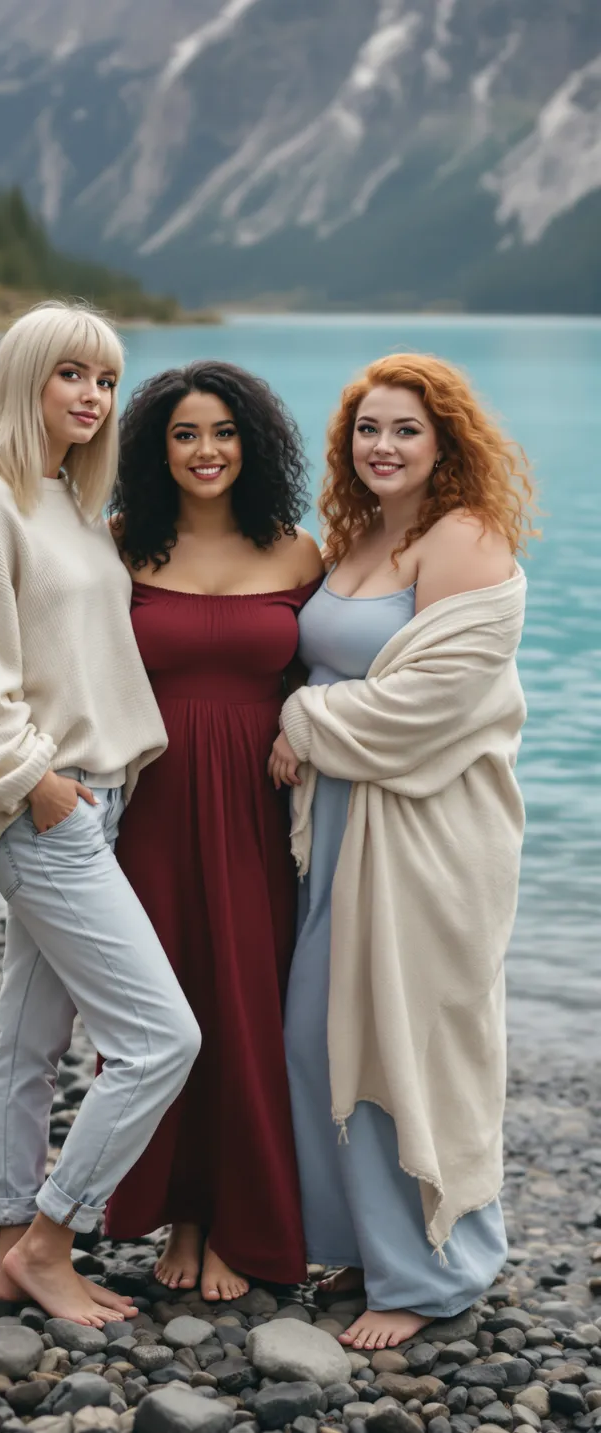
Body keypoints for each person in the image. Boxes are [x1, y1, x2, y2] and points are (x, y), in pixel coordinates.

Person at [0, 301, 201, 1328]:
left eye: (106, 378)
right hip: (44, 800)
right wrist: (36, 779)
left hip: (94, 792)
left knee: (29, 1042)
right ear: (23, 377)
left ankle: (8, 1246)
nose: (91, 395)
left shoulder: (66, 501)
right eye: (69, 374)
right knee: (161, 1038)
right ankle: (52, 1233)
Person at [271, 353, 536, 1350]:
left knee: (407, 1039)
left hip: (428, 835)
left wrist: (300, 716)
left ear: (443, 444)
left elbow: (433, 703)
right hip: (345, 828)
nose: (380, 447)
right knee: (316, 1036)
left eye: (404, 431)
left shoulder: (462, 535)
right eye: (366, 430)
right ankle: (350, 1236)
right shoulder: (358, 537)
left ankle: (429, 1270)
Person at [103, 360, 323, 1299]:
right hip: (151, 799)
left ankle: (242, 1219)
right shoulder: (121, 544)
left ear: (253, 443)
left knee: (249, 1004)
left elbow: (336, 672)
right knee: (163, 1004)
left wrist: (312, 730)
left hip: (259, 804)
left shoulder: (298, 551)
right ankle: (179, 1212)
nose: (207, 451)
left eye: (225, 432)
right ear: (159, 447)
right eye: (186, 433)